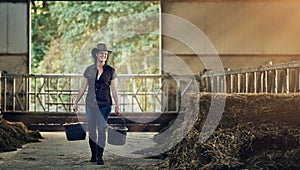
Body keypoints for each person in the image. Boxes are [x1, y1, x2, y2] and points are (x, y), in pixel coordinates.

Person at [73, 43, 120, 165]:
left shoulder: (111, 71)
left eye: (105, 54)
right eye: (101, 53)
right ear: (96, 54)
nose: (104, 55)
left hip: (105, 104)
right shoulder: (89, 70)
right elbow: (83, 87)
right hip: (90, 104)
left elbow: (114, 90)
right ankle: (93, 155)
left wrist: (117, 105)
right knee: (92, 130)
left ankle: (100, 156)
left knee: (102, 128)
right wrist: (76, 102)